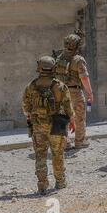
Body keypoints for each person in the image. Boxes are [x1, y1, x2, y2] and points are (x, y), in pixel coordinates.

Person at [22, 56, 75, 195]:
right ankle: (60, 181)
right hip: (57, 124)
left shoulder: (31, 86)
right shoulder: (60, 86)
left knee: (40, 155)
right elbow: (69, 108)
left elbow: (25, 109)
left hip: (38, 126)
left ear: (39, 68)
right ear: (53, 68)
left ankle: (42, 185)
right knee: (58, 154)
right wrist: (71, 121)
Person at [54, 33, 93, 149]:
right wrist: (90, 93)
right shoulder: (78, 60)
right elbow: (84, 78)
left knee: (63, 117)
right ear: (77, 46)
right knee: (79, 117)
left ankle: (65, 143)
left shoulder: (59, 58)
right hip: (75, 93)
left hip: (61, 92)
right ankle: (80, 141)